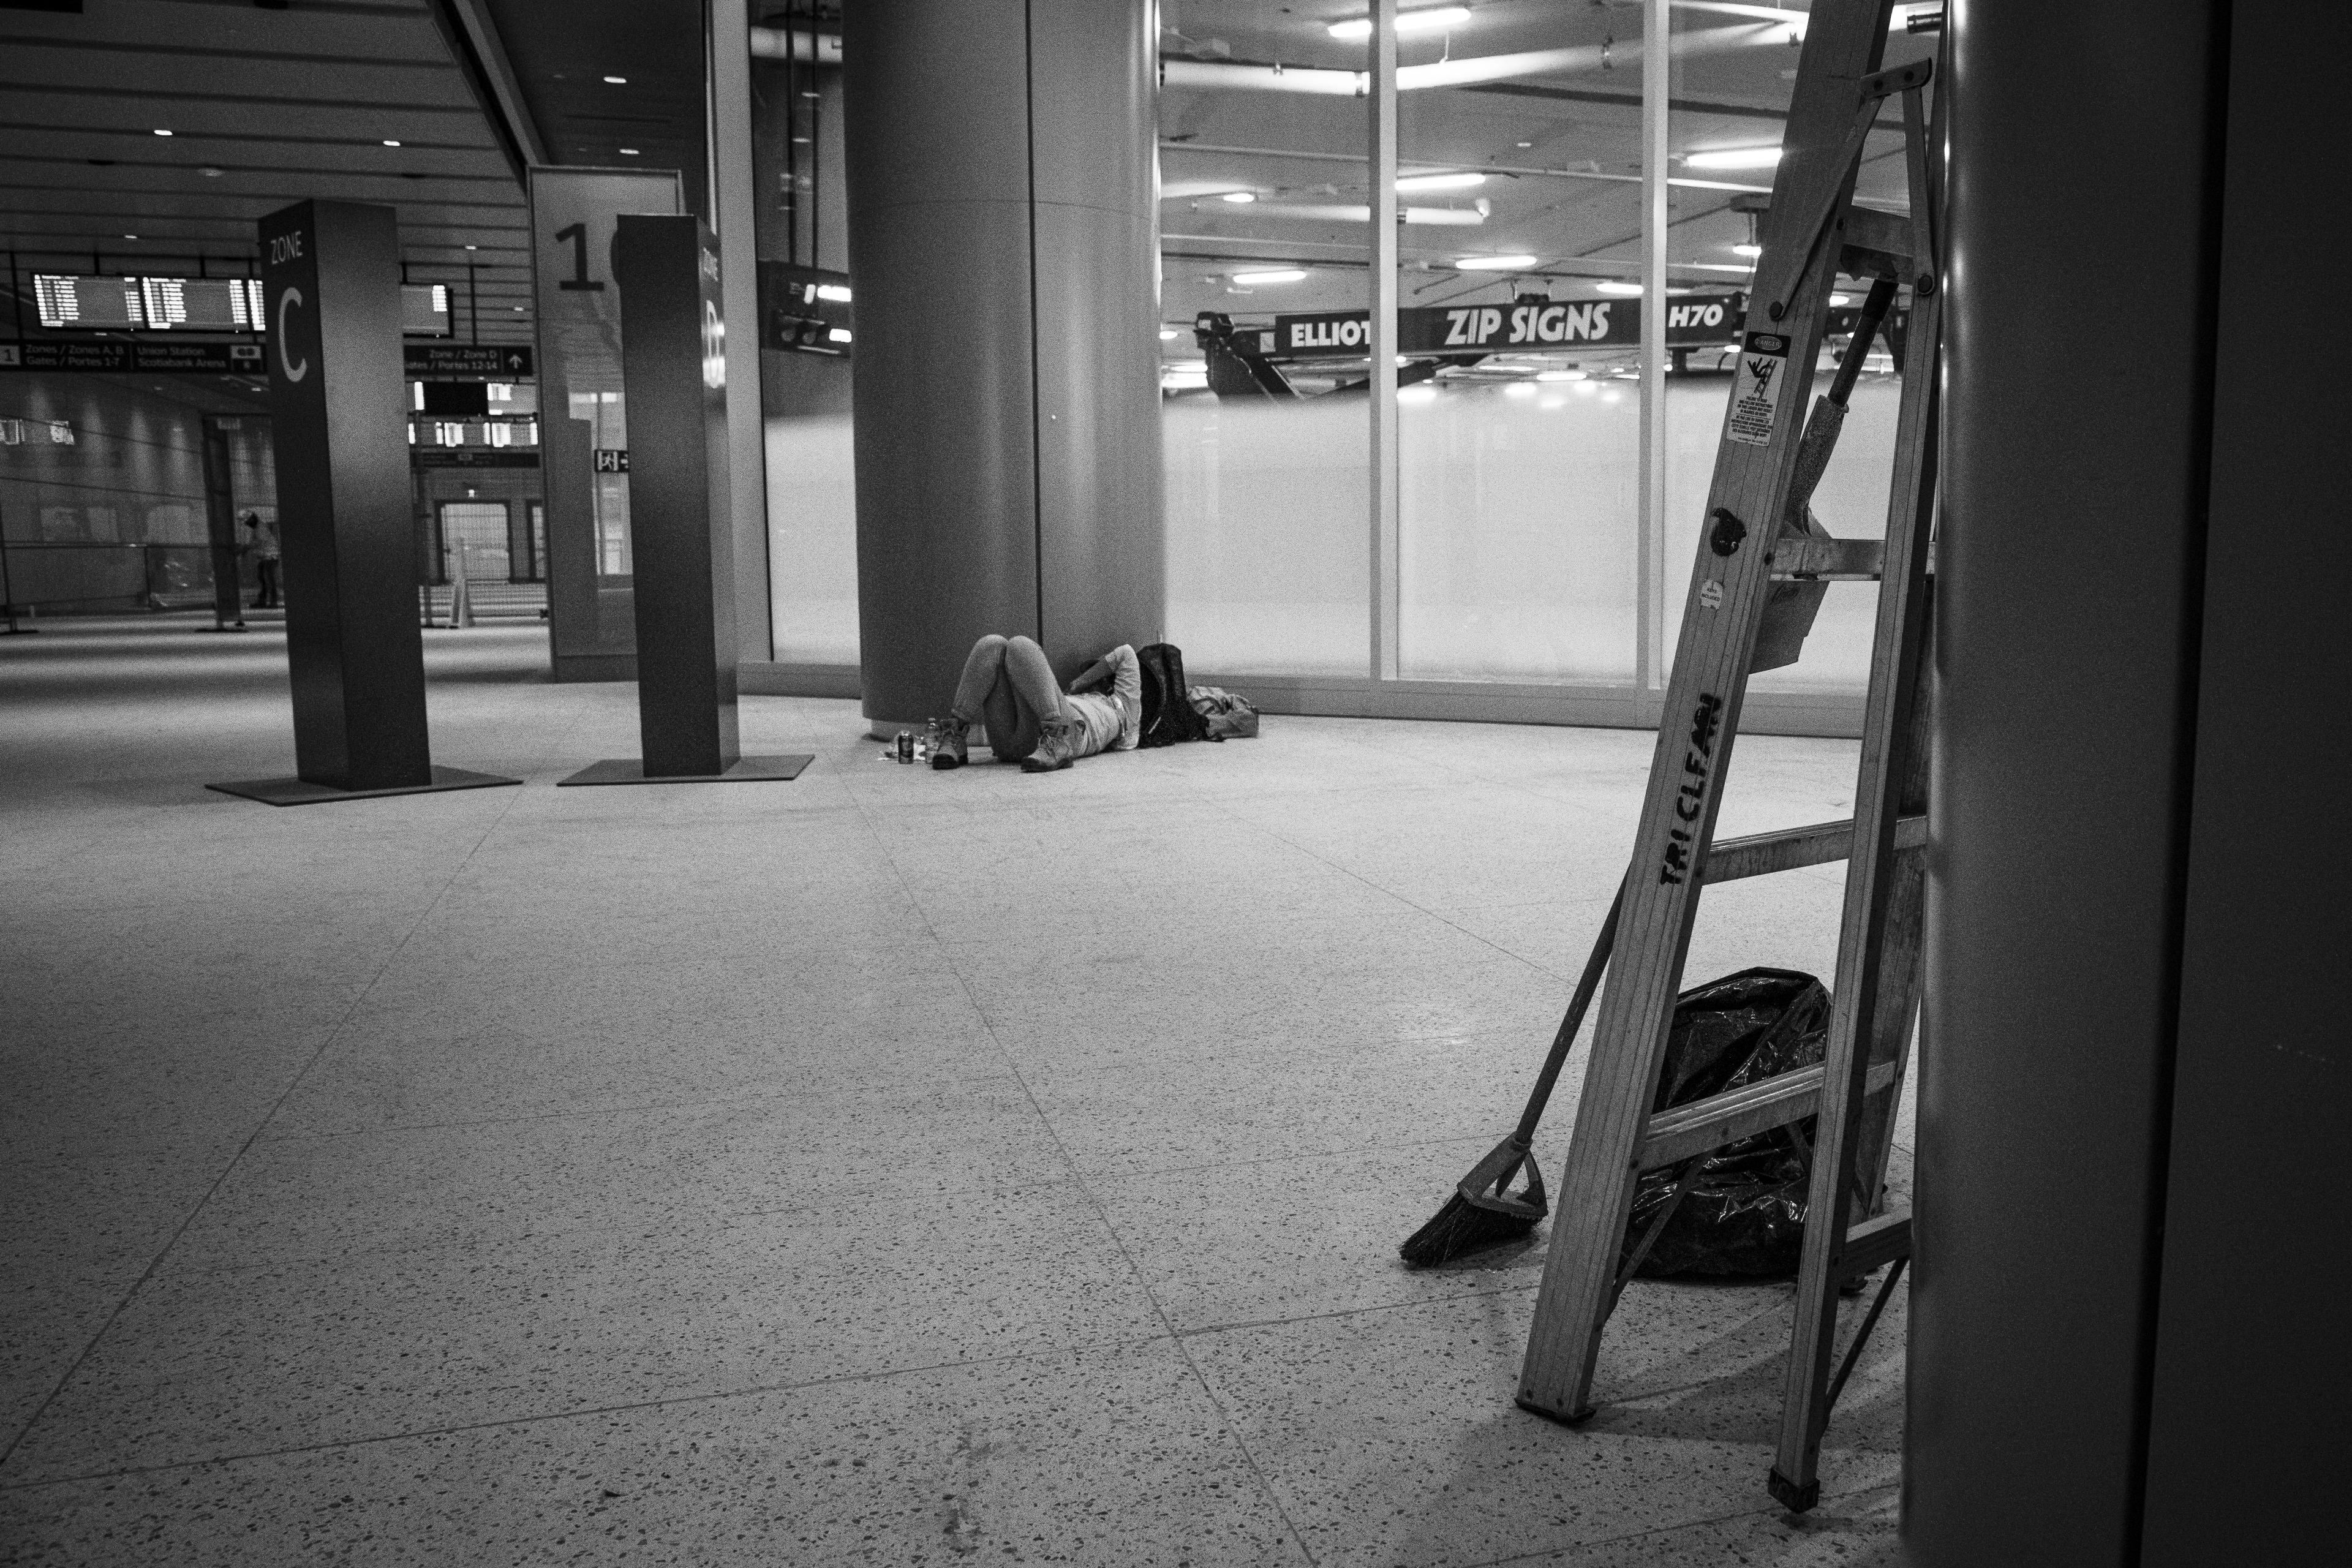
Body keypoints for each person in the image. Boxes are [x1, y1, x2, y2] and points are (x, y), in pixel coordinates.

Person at [933, 635, 1140, 773]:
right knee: (992, 645)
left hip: (1064, 737)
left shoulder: (1126, 711)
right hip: (1014, 743)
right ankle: (955, 736)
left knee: (1021, 646)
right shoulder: (1064, 701)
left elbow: (1126, 653)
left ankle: (1057, 738)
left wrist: (1079, 683)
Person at [243, 513, 281, 609]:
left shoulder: (261, 527)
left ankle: (273, 602)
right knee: (263, 579)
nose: (248, 524)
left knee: (268, 579)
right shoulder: (257, 528)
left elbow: (260, 542)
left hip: (270, 557)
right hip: (265, 557)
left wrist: (246, 547)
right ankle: (262, 601)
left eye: (248, 521)